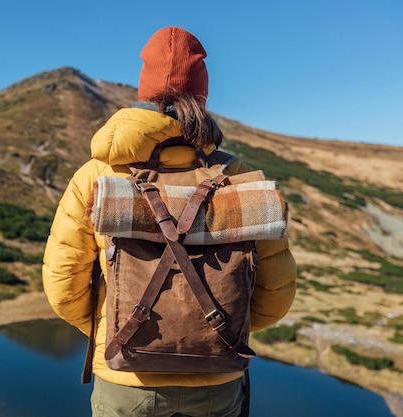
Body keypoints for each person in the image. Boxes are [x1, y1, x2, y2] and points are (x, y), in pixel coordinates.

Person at [42, 26, 296, 417]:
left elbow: (63, 285)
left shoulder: (98, 175)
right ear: (202, 96)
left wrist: (114, 328)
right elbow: (275, 290)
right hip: (219, 380)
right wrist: (213, 335)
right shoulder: (240, 175)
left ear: (144, 94)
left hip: (126, 382)